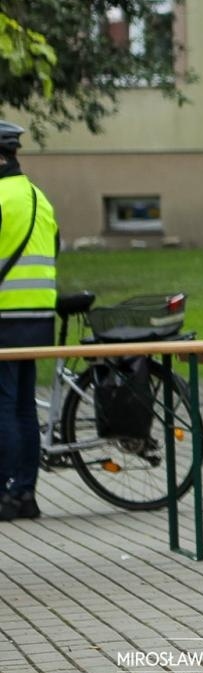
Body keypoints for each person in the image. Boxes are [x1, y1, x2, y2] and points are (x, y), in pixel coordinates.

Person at [0, 121, 56, 522]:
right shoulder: (39, 197)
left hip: (4, 316)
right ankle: (25, 493)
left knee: (3, 407)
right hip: (38, 319)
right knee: (22, 407)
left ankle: (5, 492)